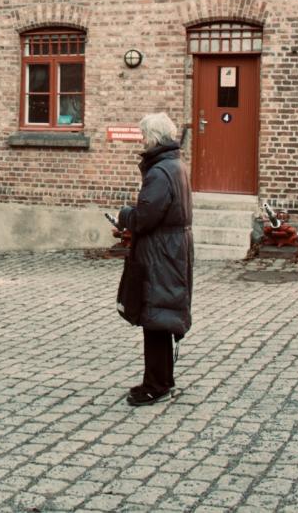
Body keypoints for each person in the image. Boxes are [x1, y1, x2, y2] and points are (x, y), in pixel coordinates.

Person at [116, 112, 194, 407]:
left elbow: (146, 216)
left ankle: (157, 385)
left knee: (156, 315)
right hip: (171, 248)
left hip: (161, 250)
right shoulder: (175, 166)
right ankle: (160, 378)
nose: (142, 141)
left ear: (154, 137)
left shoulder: (160, 171)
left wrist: (125, 216)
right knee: (161, 314)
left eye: (143, 136)